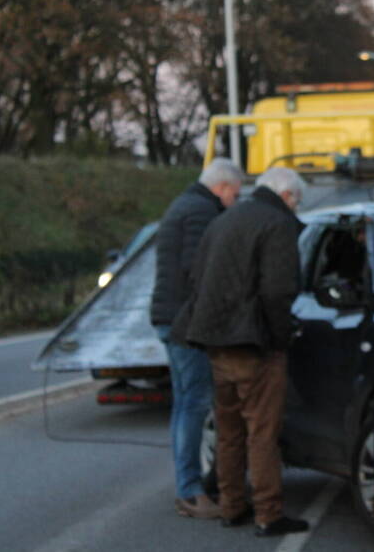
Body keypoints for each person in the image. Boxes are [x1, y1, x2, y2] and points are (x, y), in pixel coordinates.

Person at [173, 166, 307, 537]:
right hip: (254, 345)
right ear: (287, 196)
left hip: (215, 344)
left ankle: (232, 506)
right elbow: (279, 291)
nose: (297, 208)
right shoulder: (277, 224)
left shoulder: (224, 220)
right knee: (262, 432)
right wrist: (280, 339)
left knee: (229, 431)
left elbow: (196, 278)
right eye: (297, 200)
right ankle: (269, 513)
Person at [150, 158, 243, 519]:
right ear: (222, 188)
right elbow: (199, 269)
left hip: (170, 318)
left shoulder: (183, 204)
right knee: (195, 402)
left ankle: (186, 485)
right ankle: (190, 490)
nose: (233, 201)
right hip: (186, 322)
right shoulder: (202, 211)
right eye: (234, 194)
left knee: (183, 403)